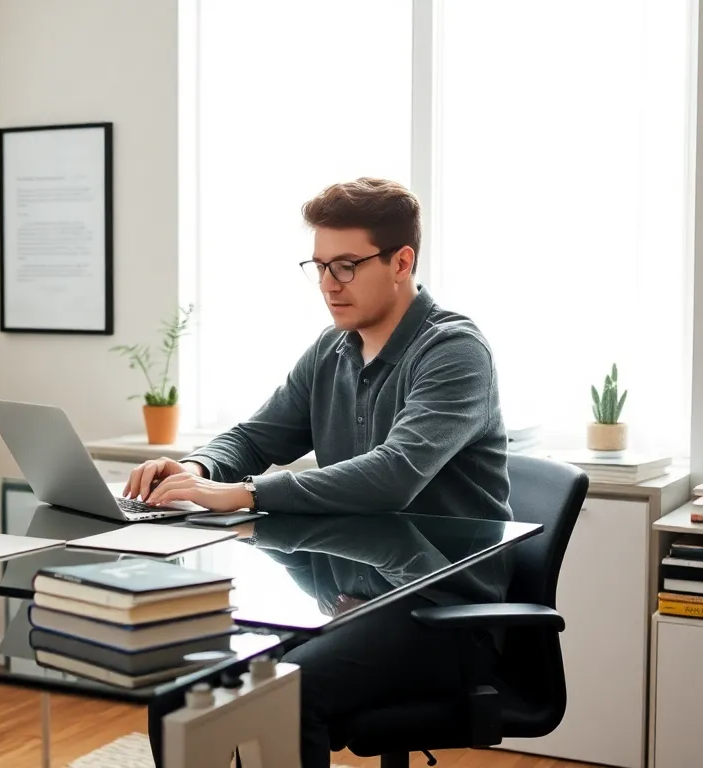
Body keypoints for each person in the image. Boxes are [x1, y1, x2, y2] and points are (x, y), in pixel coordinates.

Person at [126, 177, 515, 768]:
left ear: (401, 261)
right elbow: (258, 436)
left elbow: (394, 473)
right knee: (178, 683)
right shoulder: (331, 350)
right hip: (340, 597)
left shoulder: (454, 350)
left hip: (441, 612)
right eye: (320, 266)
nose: (330, 285)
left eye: (348, 266)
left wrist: (243, 493)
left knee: (280, 698)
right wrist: (194, 468)